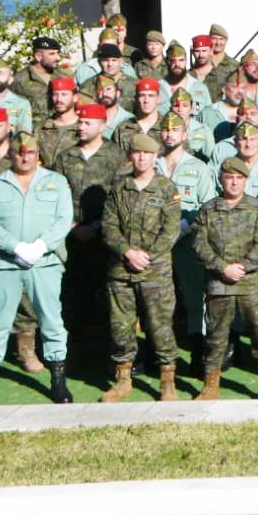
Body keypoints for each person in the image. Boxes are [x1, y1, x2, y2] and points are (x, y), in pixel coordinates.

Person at [0, 132, 73, 405]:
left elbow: (64, 219)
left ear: (38, 153)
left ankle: (58, 382)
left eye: (30, 152)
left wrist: (40, 246)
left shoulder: (56, 182)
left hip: (45, 262)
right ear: (11, 154)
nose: (25, 156)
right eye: (19, 152)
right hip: (5, 263)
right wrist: (16, 247)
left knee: (52, 321)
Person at [99, 133, 182, 403]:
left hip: (155, 271)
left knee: (160, 326)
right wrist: (127, 252)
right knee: (121, 327)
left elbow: (171, 231)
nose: (141, 157)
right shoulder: (118, 188)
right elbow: (109, 226)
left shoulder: (167, 189)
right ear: (129, 156)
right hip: (121, 271)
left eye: (146, 153)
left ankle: (167, 381)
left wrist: (146, 256)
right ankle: (123, 380)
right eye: (136, 153)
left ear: (155, 156)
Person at [189, 157, 258, 400]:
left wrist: (242, 267)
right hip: (220, 284)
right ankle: (210, 386)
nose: (234, 183)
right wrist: (222, 268)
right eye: (229, 178)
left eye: (239, 178)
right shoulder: (208, 209)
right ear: (221, 180)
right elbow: (199, 244)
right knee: (216, 336)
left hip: (251, 284)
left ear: (245, 181)